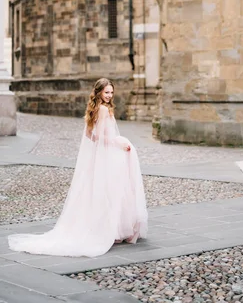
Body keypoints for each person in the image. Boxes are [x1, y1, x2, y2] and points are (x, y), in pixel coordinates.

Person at [8, 78, 148, 257]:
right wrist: (117, 144)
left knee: (105, 190)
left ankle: (113, 229)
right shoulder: (104, 110)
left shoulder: (94, 109)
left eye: (111, 92)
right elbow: (100, 137)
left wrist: (108, 144)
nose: (110, 95)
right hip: (109, 154)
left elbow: (90, 135)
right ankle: (114, 230)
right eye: (106, 92)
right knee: (114, 190)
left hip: (103, 154)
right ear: (98, 92)